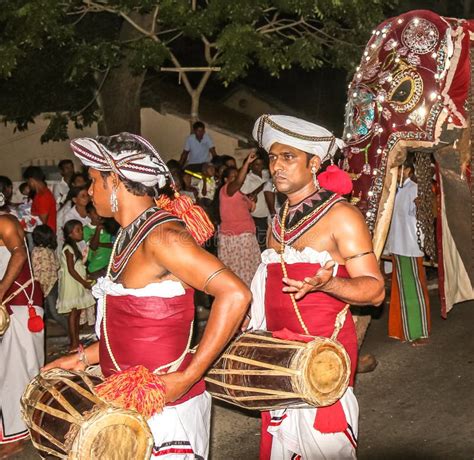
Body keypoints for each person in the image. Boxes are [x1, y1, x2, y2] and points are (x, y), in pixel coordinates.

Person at [44, 132, 250, 459]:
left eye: (96, 180)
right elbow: (132, 329)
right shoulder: (129, 235)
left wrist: (188, 376)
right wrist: (82, 358)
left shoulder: (164, 236)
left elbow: (235, 294)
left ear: (118, 182)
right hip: (126, 401)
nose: (90, 190)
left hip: (164, 408)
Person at [249, 115, 385, 459]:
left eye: (288, 157)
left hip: (323, 360)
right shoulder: (277, 221)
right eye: (273, 158)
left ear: (314, 163)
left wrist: (330, 284)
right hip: (280, 359)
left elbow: (375, 291)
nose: (276, 166)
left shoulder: (342, 217)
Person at [0, 210, 43, 456]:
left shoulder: (5, 221)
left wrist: (2, 289)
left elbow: (18, 254)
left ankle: (17, 435)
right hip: (10, 306)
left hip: (18, 304)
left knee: (16, 372)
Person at [385, 158, 431, 345]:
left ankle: (418, 333)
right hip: (397, 246)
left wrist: (422, 205)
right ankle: (401, 330)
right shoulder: (395, 190)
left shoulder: (414, 189)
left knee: (413, 290)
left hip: (410, 246)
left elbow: (419, 214)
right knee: (400, 290)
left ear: (409, 171)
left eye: (400, 170)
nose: (397, 173)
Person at [217, 154, 262, 287]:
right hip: (235, 238)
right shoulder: (226, 190)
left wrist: (252, 200)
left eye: (238, 176)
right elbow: (238, 182)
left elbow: (251, 208)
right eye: (233, 177)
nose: (238, 180)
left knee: (249, 274)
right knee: (237, 275)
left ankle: (249, 306)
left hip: (246, 236)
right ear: (226, 180)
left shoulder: (240, 193)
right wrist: (247, 163)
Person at [57, 219, 95, 350]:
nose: (81, 232)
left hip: (76, 282)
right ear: (70, 234)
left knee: (77, 313)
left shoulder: (75, 247)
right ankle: (73, 342)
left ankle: (76, 340)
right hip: (72, 284)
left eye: (81, 229)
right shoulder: (68, 248)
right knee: (73, 314)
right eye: (78, 230)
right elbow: (71, 269)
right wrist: (84, 282)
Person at [32, 225, 68, 333]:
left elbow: (37, 271)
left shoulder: (37, 251)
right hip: (53, 283)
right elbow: (56, 266)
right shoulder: (50, 250)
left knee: (53, 312)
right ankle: (70, 332)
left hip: (44, 284)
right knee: (52, 311)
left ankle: (72, 332)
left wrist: (40, 286)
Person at [240, 150, 273, 251]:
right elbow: (245, 196)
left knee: (268, 243)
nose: (259, 167)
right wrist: (262, 186)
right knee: (259, 245)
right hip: (256, 216)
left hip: (268, 215)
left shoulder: (266, 173)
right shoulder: (247, 178)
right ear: (250, 166)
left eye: (261, 164)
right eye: (256, 165)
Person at [83, 202, 114, 280]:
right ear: (89, 215)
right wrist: (98, 229)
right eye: (95, 212)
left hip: (109, 265)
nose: (99, 215)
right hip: (95, 267)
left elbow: (114, 244)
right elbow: (93, 247)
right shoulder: (86, 229)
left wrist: (99, 244)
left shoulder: (108, 226)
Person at [23, 166, 57, 232]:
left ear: (31, 180)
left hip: (45, 236)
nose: (28, 184)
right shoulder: (40, 194)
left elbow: (43, 221)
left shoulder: (43, 196)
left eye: (28, 182)